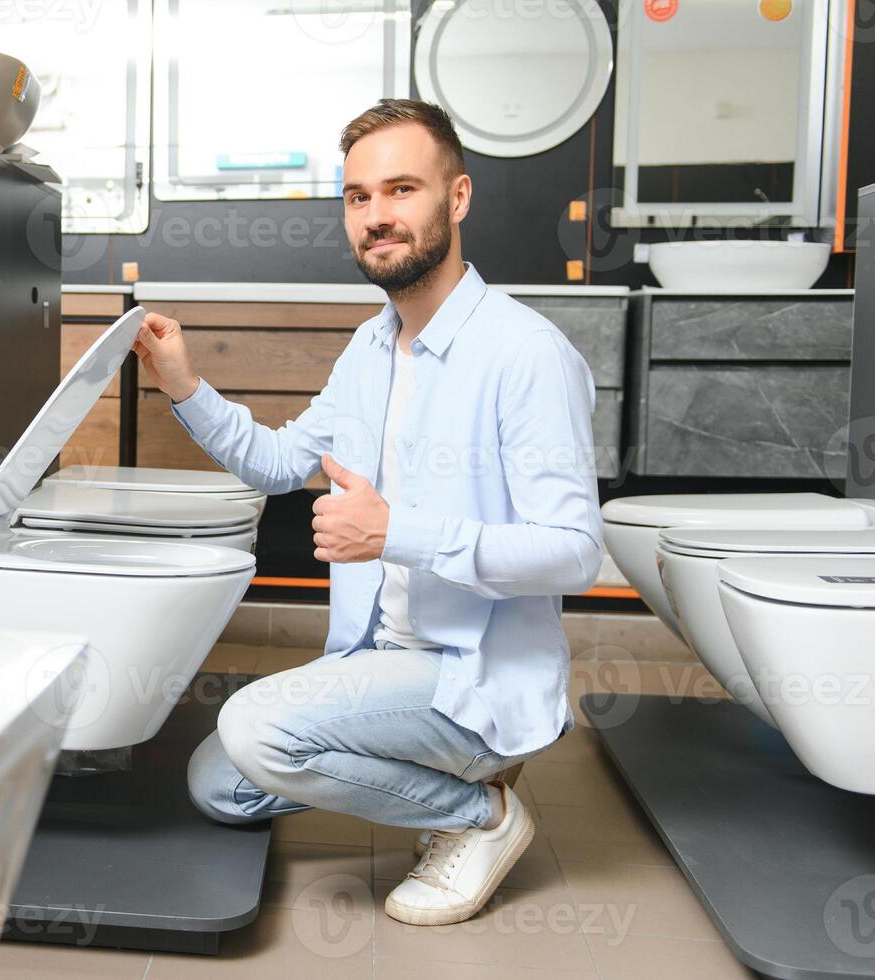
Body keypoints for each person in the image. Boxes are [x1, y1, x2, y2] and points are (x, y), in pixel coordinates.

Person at [132, 99, 603, 926]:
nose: (376, 217)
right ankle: (438, 781)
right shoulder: (372, 346)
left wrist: (397, 535)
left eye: (400, 190)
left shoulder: (524, 353)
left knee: (256, 730)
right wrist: (181, 381)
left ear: (455, 198)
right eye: (357, 198)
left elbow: (573, 552)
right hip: (377, 657)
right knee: (219, 784)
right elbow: (279, 462)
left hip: (471, 674)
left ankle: (480, 817)